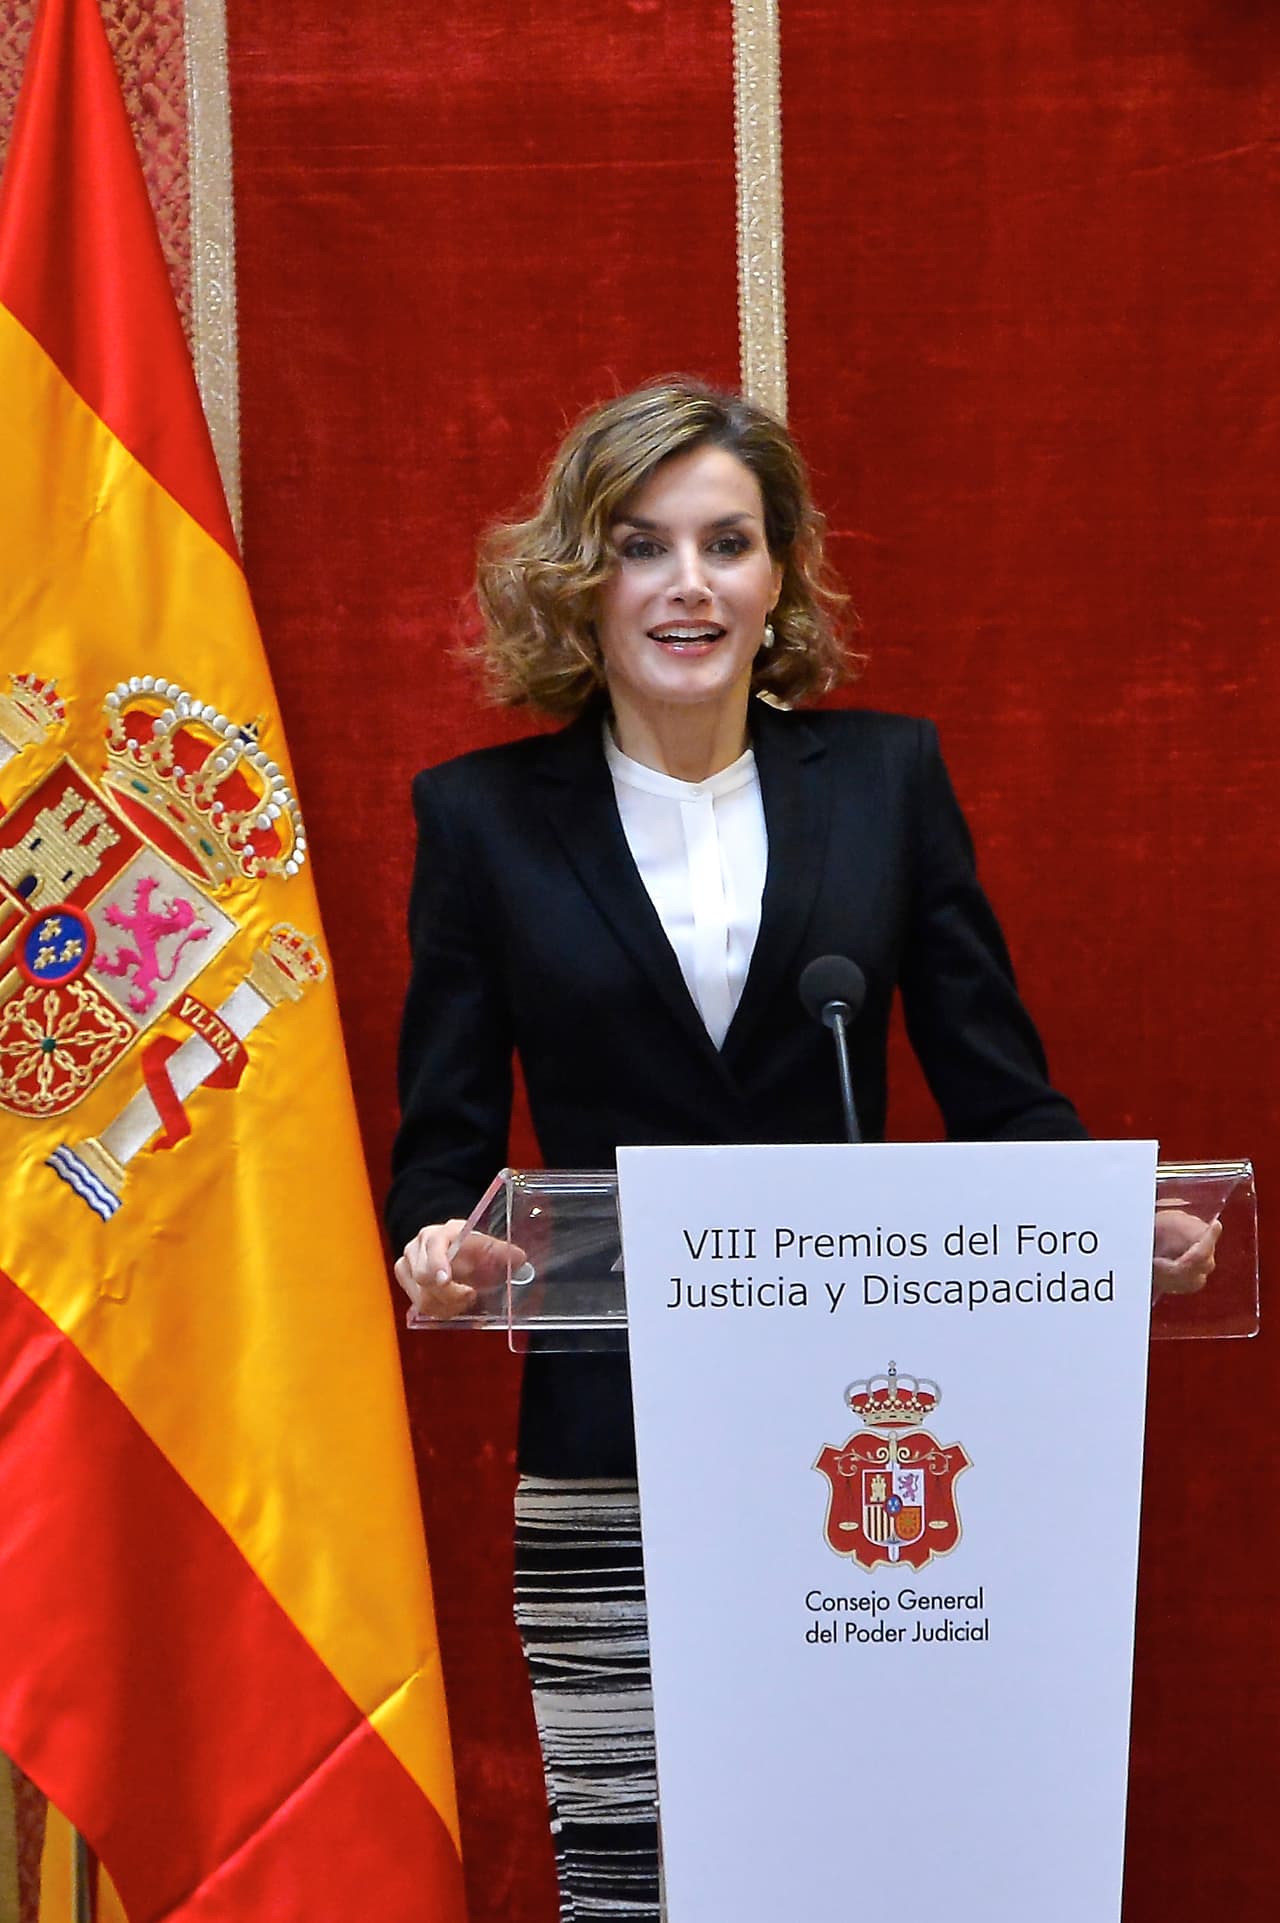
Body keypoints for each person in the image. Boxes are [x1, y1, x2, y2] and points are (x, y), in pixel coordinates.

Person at [387, 377, 1215, 1920]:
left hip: (860, 1435)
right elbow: (439, 1138)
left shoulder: (887, 784)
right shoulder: (484, 818)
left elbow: (996, 1084)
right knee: (634, 1875)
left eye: (728, 543)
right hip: (608, 1442)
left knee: (867, 1866)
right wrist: (439, 1243)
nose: (688, 584)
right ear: (584, 577)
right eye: (644, 546)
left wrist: (1113, 1215)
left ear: (782, 578)